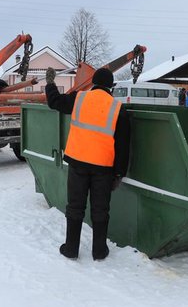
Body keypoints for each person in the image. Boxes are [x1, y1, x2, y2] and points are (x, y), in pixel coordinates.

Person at [45, 67, 130, 261]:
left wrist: (50, 83)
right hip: (103, 169)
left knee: (75, 207)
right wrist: (119, 174)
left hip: (78, 164)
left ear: (93, 83)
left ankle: (71, 249)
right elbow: (123, 146)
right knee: (100, 210)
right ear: (111, 87)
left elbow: (55, 102)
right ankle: (99, 251)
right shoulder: (118, 109)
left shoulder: (79, 99)